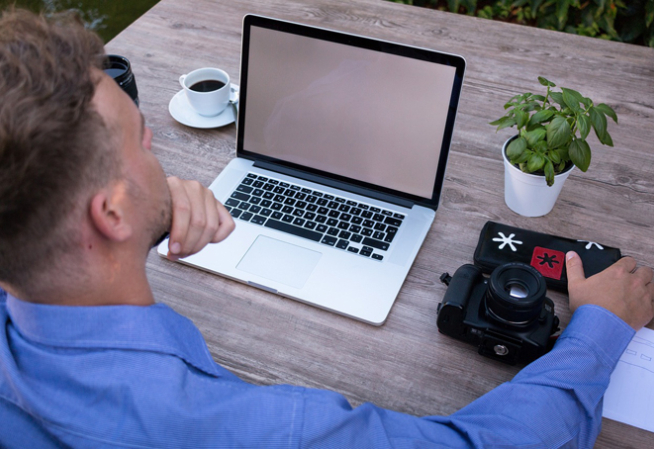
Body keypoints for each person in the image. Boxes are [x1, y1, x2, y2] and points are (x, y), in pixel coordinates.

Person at [0, 8, 652, 449]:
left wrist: (152, 201)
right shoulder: (263, 428)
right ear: (109, 213)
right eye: (143, 138)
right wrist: (600, 330)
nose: (156, 148)